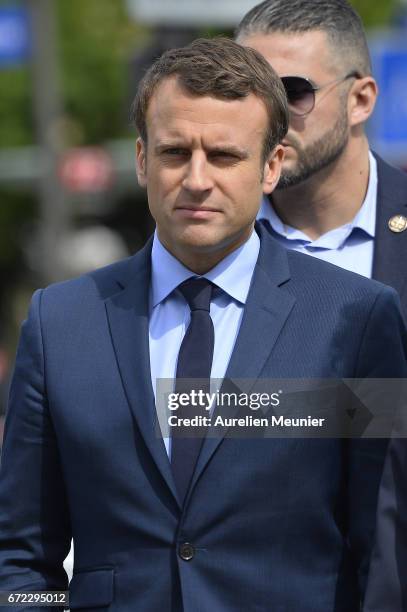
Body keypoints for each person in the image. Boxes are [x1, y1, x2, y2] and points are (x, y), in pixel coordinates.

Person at [0, 37, 406, 612]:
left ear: (270, 167)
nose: (196, 178)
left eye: (223, 156)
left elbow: (384, 549)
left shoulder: (356, 318)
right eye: (174, 153)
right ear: (142, 160)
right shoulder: (59, 322)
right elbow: (20, 557)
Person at [235, 0, 407, 320]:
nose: (270, 116)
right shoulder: (212, 228)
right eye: (249, 92)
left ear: (360, 100)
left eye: (294, 91)